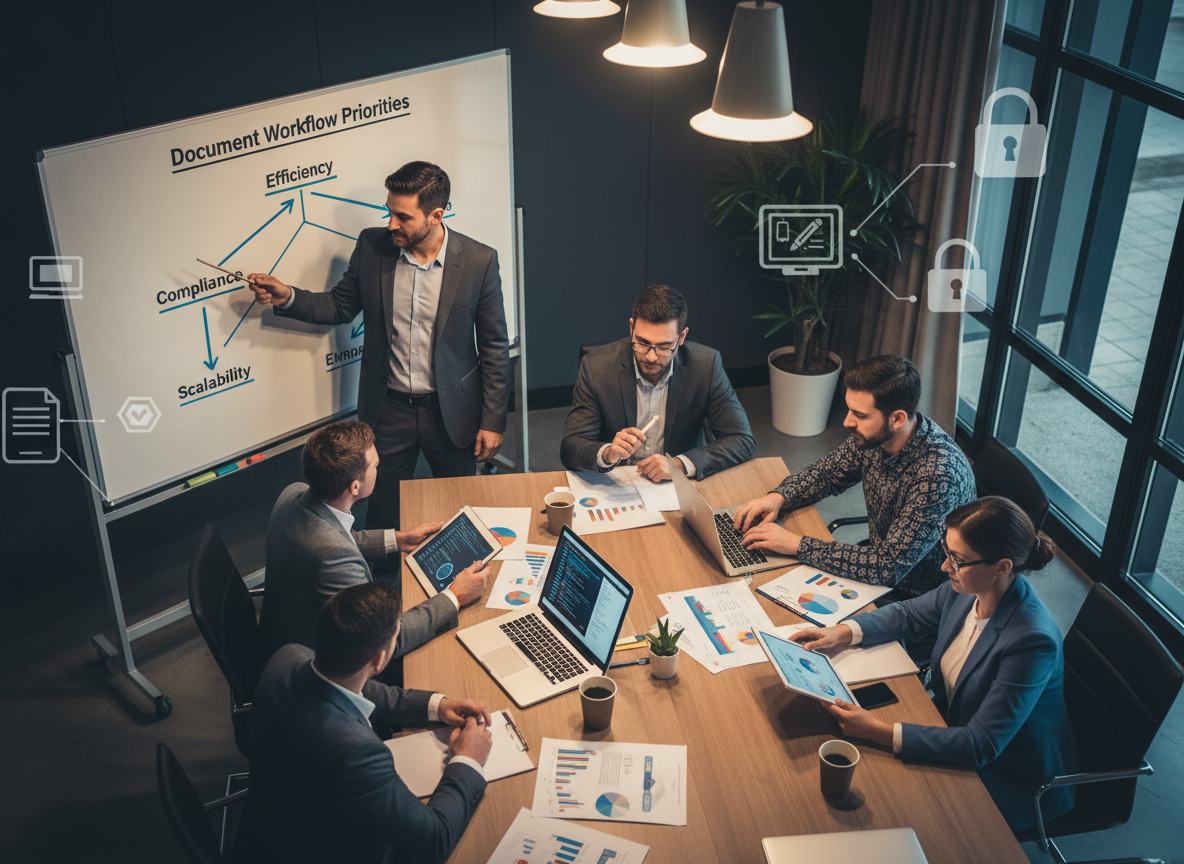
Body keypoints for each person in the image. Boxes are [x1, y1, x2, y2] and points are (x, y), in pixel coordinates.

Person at [248, 161, 509, 530]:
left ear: (436, 215)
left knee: (459, 510)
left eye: (402, 216)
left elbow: (494, 346)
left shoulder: (479, 261)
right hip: (389, 411)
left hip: (452, 411)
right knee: (385, 514)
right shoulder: (373, 247)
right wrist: (287, 296)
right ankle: (383, 588)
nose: (391, 224)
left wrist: (492, 419)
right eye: (389, 212)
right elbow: (339, 306)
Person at [790, 496, 1076, 832]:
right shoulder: (968, 586)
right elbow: (910, 613)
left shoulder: (1031, 640)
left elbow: (979, 745)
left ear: (1002, 567)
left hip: (1007, 776)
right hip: (949, 722)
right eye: (947, 552)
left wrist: (879, 732)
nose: (945, 567)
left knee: (887, 812)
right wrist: (841, 632)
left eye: (958, 560)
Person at [231, 582, 492, 864]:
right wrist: (467, 760)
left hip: (272, 828)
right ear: (379, 660)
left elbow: (360, 689)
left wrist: (437, 706)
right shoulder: (357, 754)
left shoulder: (288, 657)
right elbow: (434, 839)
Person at [735, 354, 975, 599]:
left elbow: (888, 567)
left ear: (897, 418)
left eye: (860, 415)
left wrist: (796, 545)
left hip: (918, 596)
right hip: (876, 564)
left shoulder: (937, 476)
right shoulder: (877, 437)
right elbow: (827, 474)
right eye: (850, 409)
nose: (847, 421)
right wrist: (779, 497)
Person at [258, 420, 489, 663]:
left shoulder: (293, 492)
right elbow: (384, 640)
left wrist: (398, 539)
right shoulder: (336, 560)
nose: (379, 468)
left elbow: (336, 536)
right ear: (354, 487)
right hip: (311, 661)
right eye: (375, 465)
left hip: (278, 633)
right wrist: (455, 596)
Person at [561, 284, 755, 482]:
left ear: (682, 337)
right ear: (631, 328)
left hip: (678, 484)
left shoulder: (706, 366)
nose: (651, 357)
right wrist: (607, 453)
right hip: (619, 482)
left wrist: (678, 465)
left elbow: (741, 440)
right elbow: (571, 446)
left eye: (664, 346)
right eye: (642, 343)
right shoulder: (597, 367)